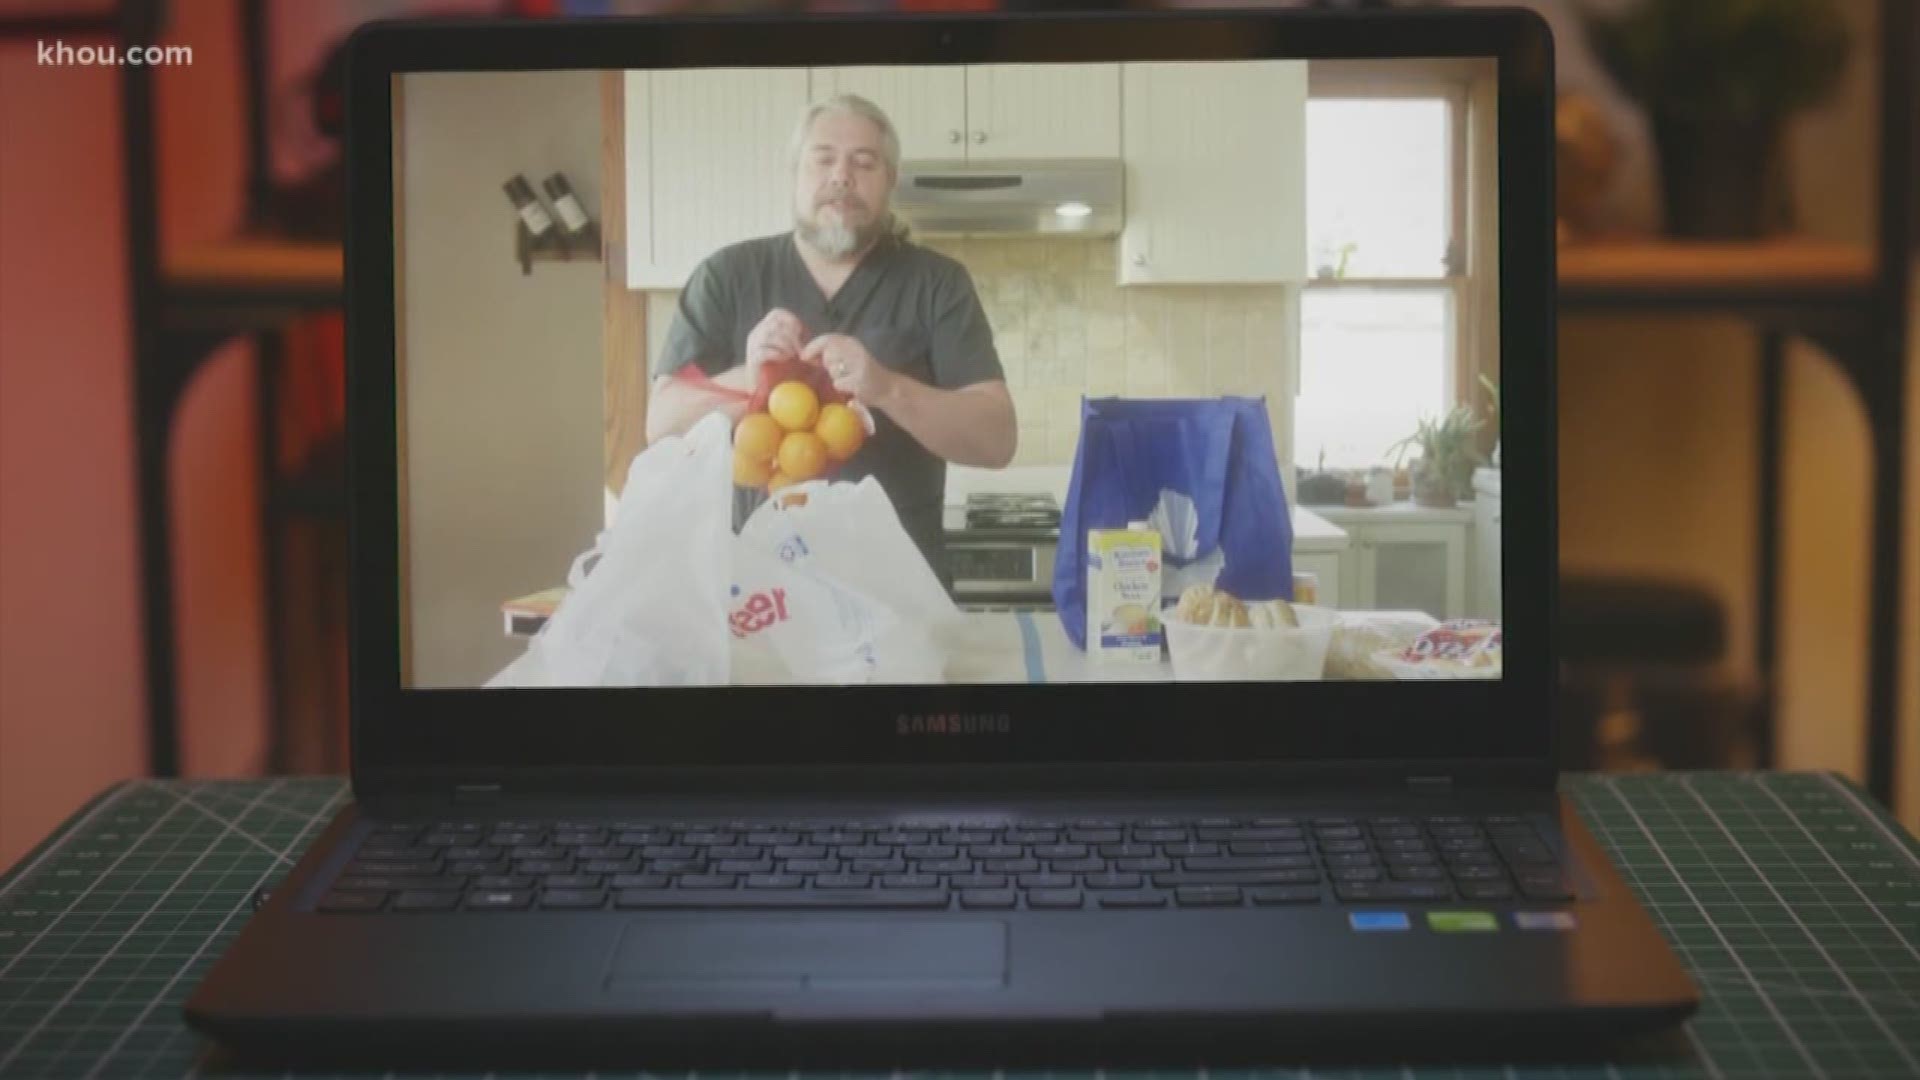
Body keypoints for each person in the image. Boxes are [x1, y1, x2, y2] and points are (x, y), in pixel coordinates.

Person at [645, 92, 1016, 585]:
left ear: (890, 182)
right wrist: (750, 378)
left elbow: (997, 441)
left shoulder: (937, 284)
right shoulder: (727, 276)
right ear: (794, 173)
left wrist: (887, 388)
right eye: (823, 159)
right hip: (757, 595)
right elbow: (661, 426)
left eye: (864, 163)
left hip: (900, 596)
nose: (842, 175)